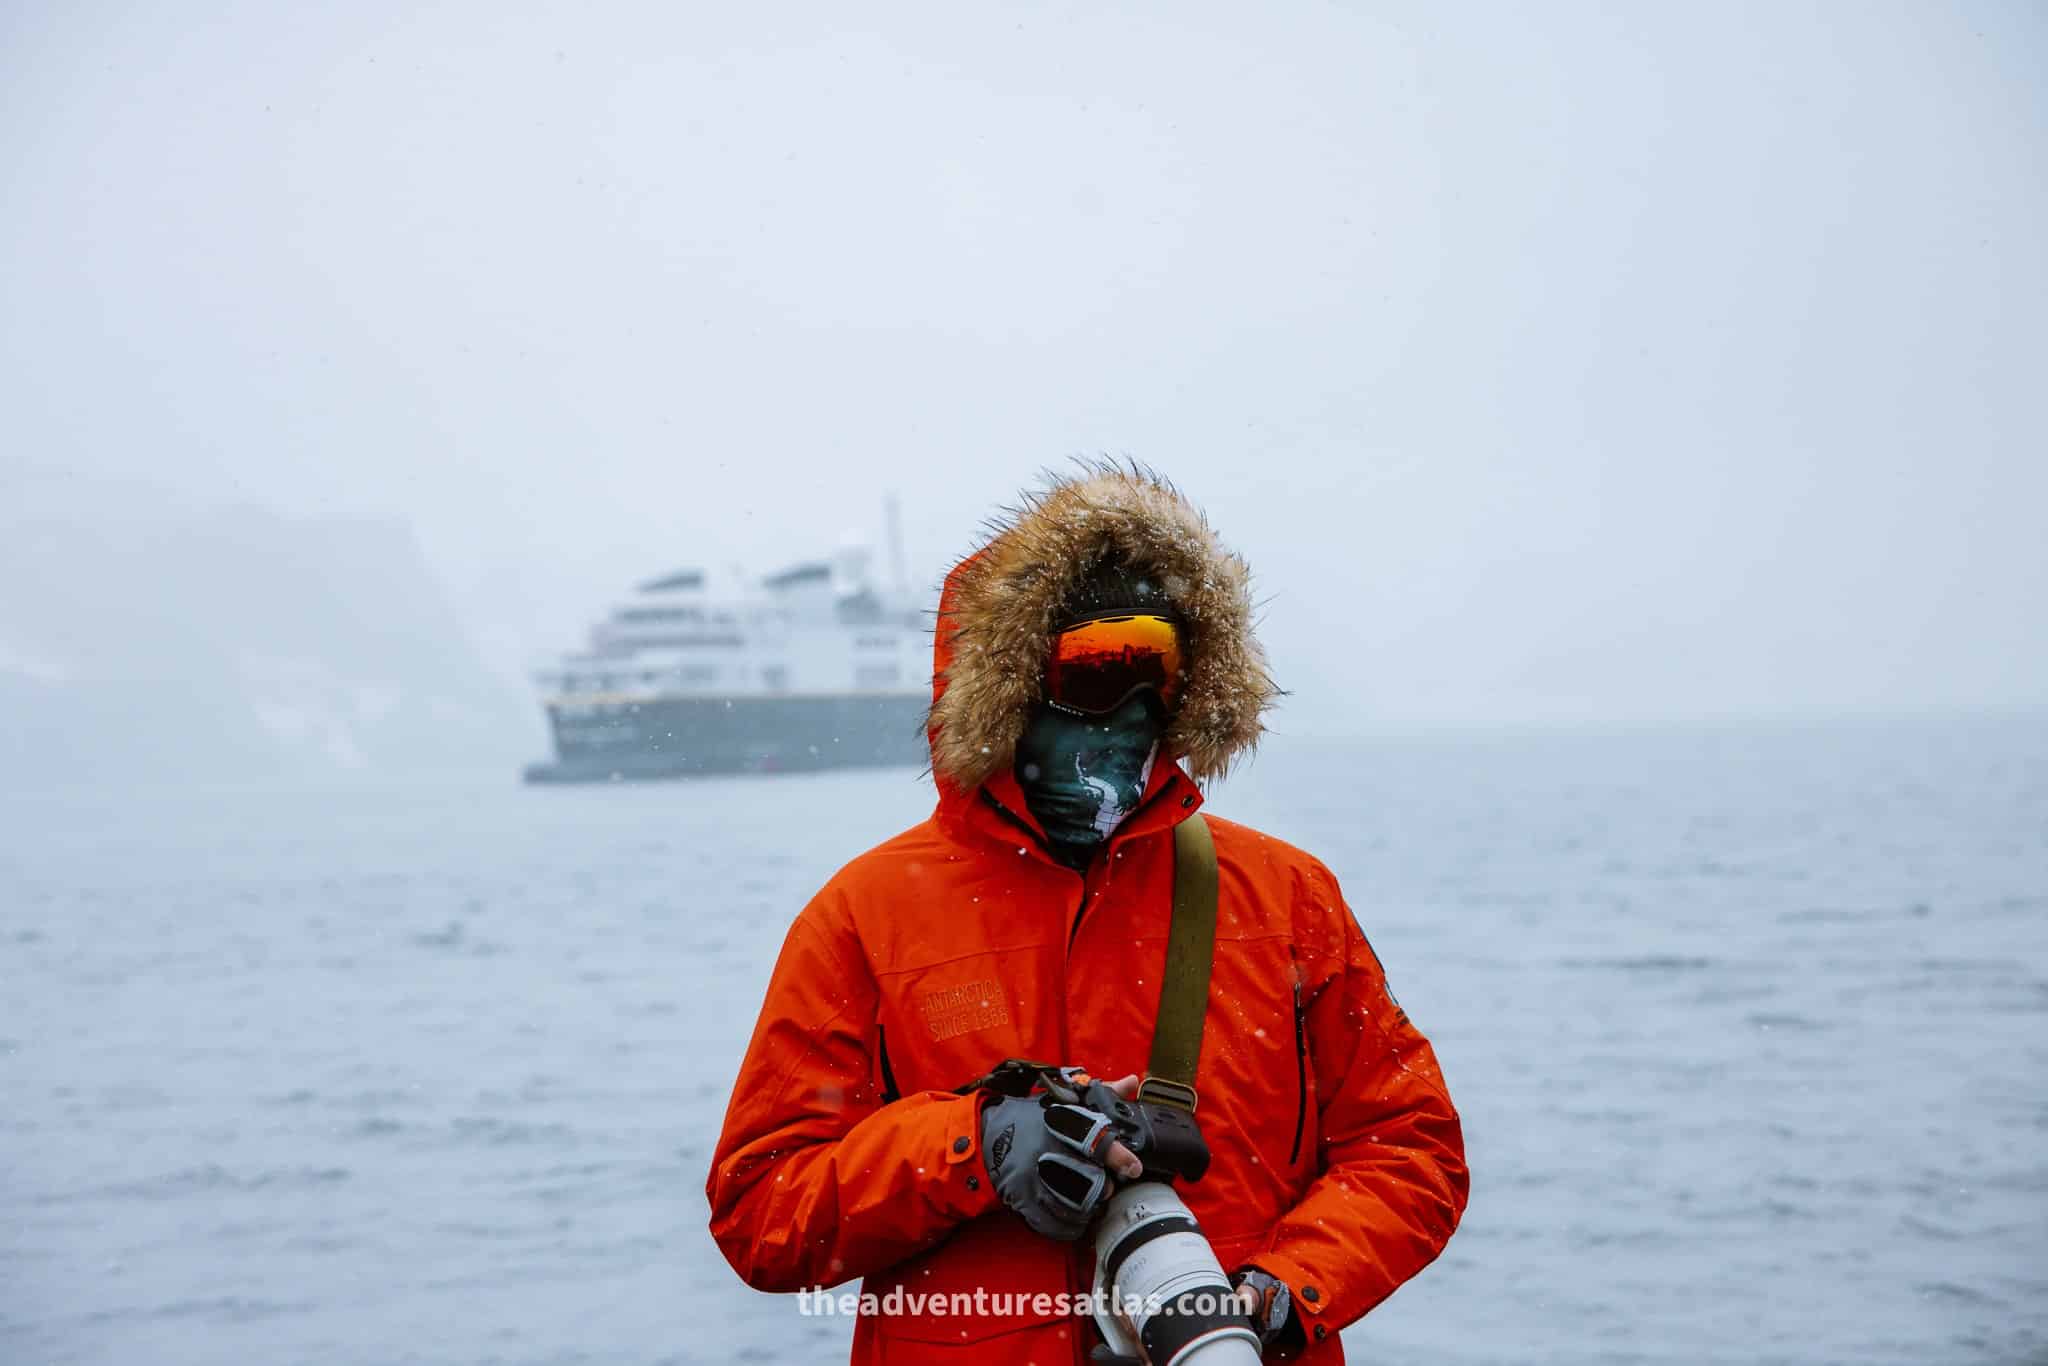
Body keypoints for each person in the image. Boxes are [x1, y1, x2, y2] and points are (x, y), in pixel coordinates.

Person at [706, 466, 1467, 1363]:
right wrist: (975, 1147)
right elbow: (763, 1213)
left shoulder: (1287, 897)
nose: (1130, 719)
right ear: (1010, 689)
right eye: (1096, 673)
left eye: (1161, 677)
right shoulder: (865, 918)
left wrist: (1277, 1300)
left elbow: (1411, 1149)